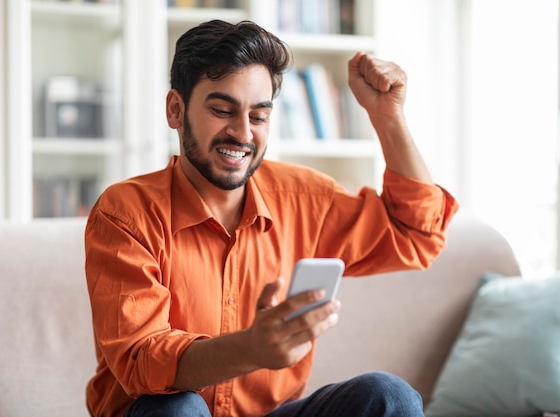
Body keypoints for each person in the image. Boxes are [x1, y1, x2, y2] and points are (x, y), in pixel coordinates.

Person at [84, 19, 458, 417]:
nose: (242, 133)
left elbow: (416, 235)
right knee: (177, 408)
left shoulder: (306, 199)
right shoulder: (125, 213)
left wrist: (388, 117)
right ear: (176, 110)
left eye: (258, 116)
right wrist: (250, 348)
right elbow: (140, 361)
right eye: (223, 110)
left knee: (389, 395)